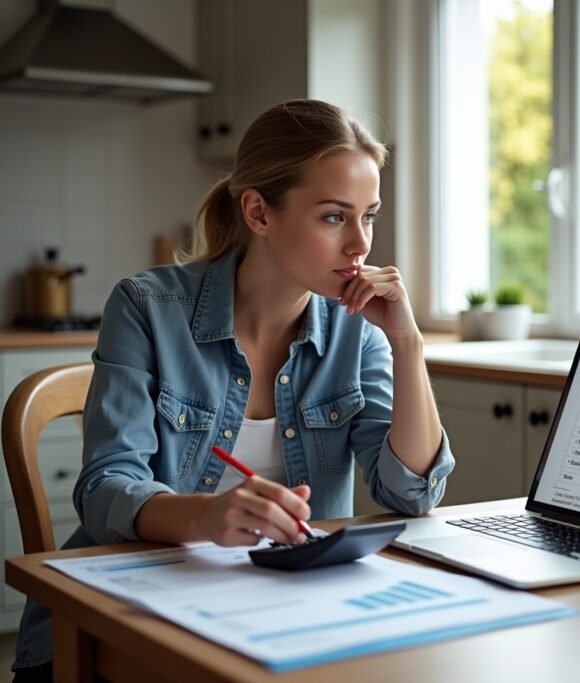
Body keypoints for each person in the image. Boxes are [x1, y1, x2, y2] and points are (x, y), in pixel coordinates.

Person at [11, 99, 455, 681]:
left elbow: (411, 494)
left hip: (286, 616)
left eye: (367, 216)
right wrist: (206, 517)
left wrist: (408, 346)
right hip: (126, 618)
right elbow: (104, 489)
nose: (360, 245)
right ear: (258, 212)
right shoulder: (147, 307)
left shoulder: (359, 331)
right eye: (333, 217)